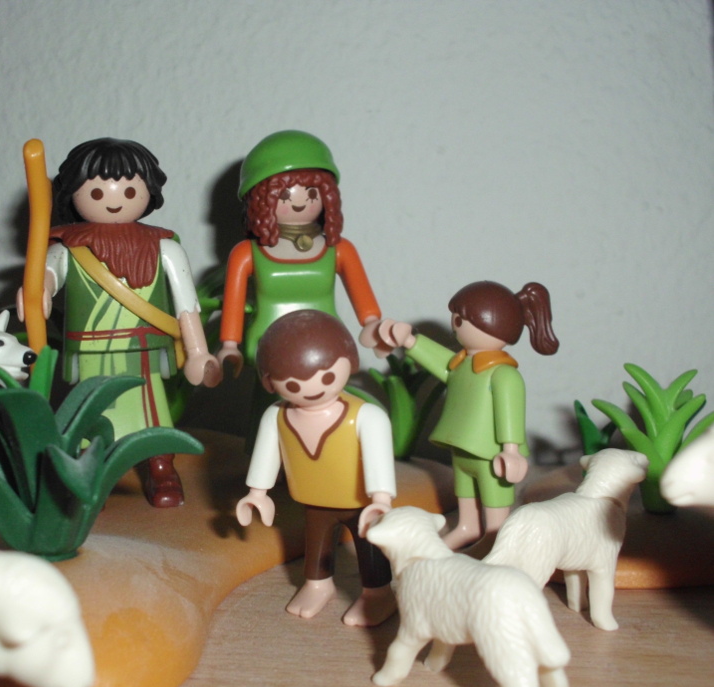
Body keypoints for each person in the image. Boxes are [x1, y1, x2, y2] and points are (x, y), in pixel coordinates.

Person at [17, 138, 220, 507]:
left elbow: (187, 306)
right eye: (96, 191)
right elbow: (47, 276)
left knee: (151, 410)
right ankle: (87, 472)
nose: (113, 200)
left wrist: (197, 352)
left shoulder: (165, 248)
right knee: (90, 411)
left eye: (129, 190)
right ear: (73, 194)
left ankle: (161, 467)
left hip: (142, 348)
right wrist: (36, 290)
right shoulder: (68, 248)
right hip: (91, 348)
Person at [236, 309, 397, 626]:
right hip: (314, 500)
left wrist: (381, 499)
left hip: (360, 503)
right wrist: (257, 493)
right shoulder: (276, 416)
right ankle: (317, 584)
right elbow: (266, 454)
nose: (311, 389)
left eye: (326, 377)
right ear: (269, 382)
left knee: (369, 548)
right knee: (317, 543)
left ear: (350, 361)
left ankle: (378, 593)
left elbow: (379, 459)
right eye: (293, 384)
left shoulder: (366, 416)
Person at [378, 281, 559, 549]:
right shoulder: (461, 364)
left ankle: (495, 537)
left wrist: (511, 450)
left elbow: (510, 413)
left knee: (494, 498)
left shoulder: (504, 374)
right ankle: (467, 527)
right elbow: (441, 363)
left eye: (459, 319)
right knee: (464, 492)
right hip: (461, 447)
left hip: (490, 455)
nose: (455, 326)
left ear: (490, 324)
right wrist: (410, 341)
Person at [217, 130, 387, 377]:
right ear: (261, 198)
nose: (300, 202)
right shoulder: (246, 254)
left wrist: (372, 324)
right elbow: (233, 303)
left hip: (326, 343)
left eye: (312, 193)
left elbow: (363, 299)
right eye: (284, 195)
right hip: (269, 347)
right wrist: (230, 345)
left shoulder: (340, 249)